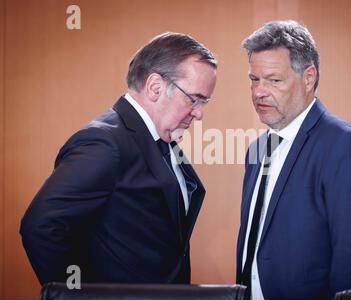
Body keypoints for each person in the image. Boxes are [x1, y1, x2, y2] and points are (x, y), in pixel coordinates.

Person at [20, 32, 217, 285]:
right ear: (155, 87)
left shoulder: (161, 139)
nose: (199, 113)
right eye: (194, 99)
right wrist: (80, 296)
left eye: (205, 102)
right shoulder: (105, 143)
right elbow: (40, 227)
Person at [236, 20, 351, 299]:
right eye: (254, 79)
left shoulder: (345, 145)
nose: (259, 92)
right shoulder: (256, 149)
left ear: (308, 77)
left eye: (274, 80)